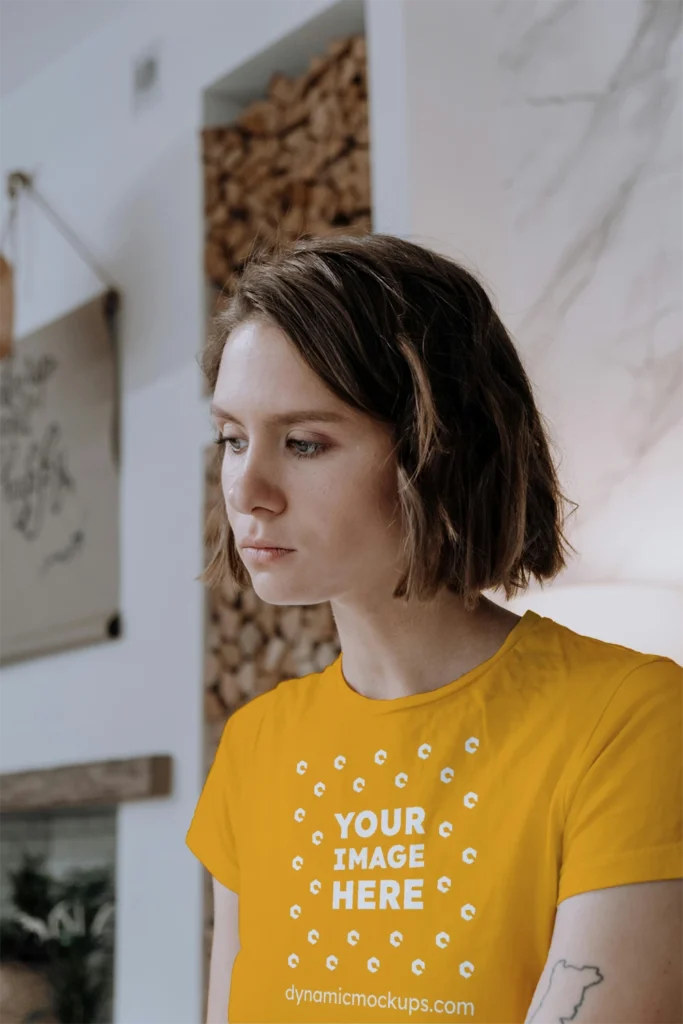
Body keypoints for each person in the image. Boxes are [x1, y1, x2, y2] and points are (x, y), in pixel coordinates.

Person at [186, 234, 683, 1024]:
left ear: (437, 450)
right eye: (231, 438)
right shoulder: (255, 747)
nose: (246, 487)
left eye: (304, 442)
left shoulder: (629, 718)